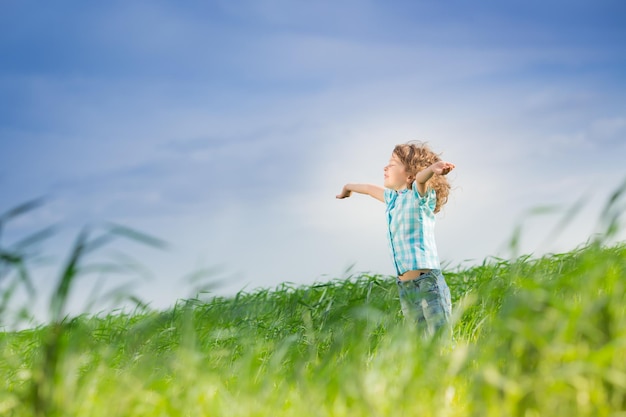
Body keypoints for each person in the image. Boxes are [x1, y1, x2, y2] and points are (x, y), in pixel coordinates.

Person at [336, 141, 455, 336]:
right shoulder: (392, 199)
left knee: (439, 336)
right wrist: (348, 187)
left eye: (392, 163)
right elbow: (367, 188)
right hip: (405, 287)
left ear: (409, 174)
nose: (385, 167)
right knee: (418, 340)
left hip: (427, 283)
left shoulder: (418, 196)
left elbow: (421, 180)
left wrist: (433, 169)